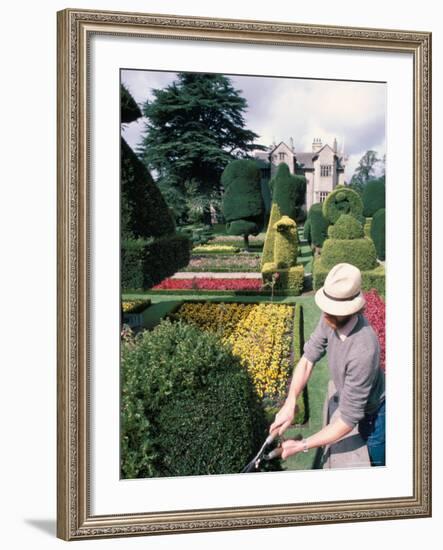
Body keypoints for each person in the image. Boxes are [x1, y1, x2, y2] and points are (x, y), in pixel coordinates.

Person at [270, 262, 386, 466]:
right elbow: (307, 360)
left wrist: (300, 445)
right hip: (353, 402)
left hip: (374, 416)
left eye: (332, 309)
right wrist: (290, 402)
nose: (324, 313)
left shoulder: (363, 348)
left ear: (349, 309)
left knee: (376, 463)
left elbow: (348, 420)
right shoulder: (329, 319)